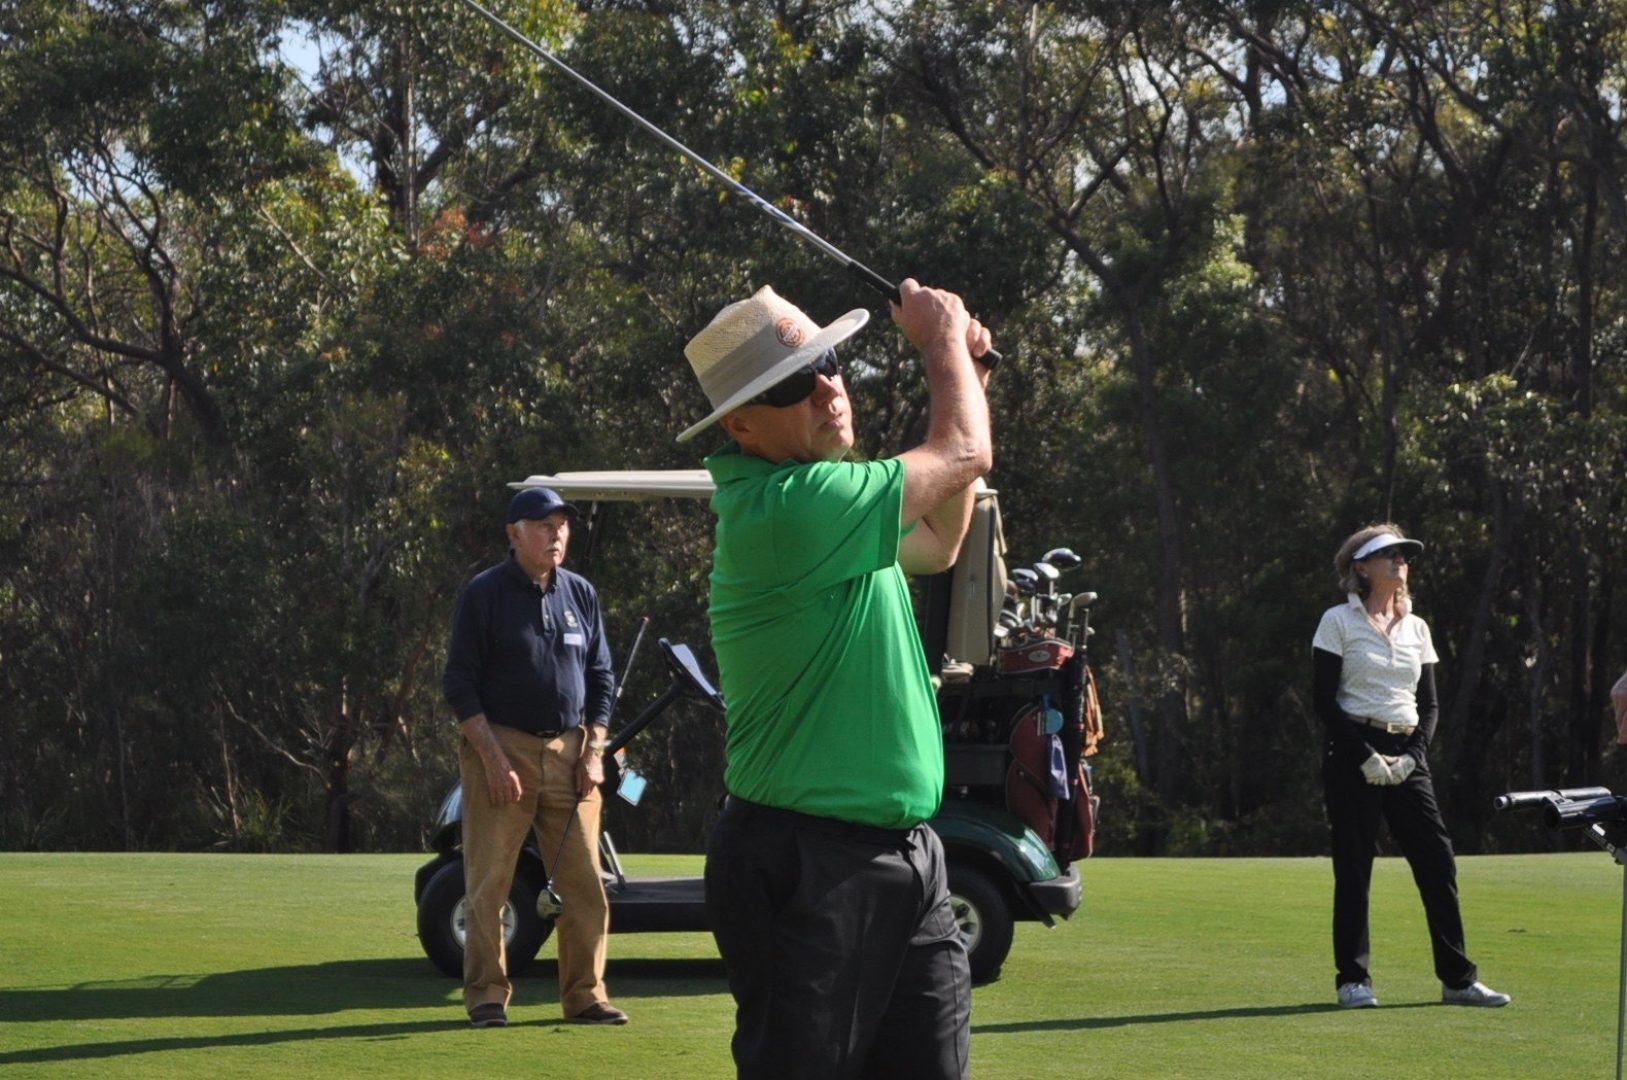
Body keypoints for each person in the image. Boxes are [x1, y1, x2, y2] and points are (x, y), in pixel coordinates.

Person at [676, 280, 993, 1079]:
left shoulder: (832, 505)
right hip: (805, 861)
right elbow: (964, 453)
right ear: (740, 425)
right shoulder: (790, 508)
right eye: (793, 383)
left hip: (905, 855)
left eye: (828, 363)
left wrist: (971, 372)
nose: (827, 388)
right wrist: (941, 343)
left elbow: (941, 540)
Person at [441, 486, 625, 1028]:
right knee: (490, 884)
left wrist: (594, 750)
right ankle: (486, 996)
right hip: (503, 749)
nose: (557, 534)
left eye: (562, 525)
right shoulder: (484, 594)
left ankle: (585, 996)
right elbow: (459, 683)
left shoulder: (580, 593)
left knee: (585, 884)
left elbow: (601, 676)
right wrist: (493, 759)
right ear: (514, 533)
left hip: (572, 753)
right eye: (545, 525)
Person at [1312, 523, 1510, 1010]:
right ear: (1362, 567)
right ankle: (1353, 981)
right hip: (1353, 751)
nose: (1401, 560)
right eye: (1390, 554)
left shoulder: (1417, 627)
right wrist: (1365, 756)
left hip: (1406, 754)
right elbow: (1323, 700)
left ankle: (1457, 980)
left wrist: (1412, 757)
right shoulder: (1337, 621)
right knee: (1354, 868)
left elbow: (1430, 704)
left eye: (1404, 554)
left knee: (1437, 861)